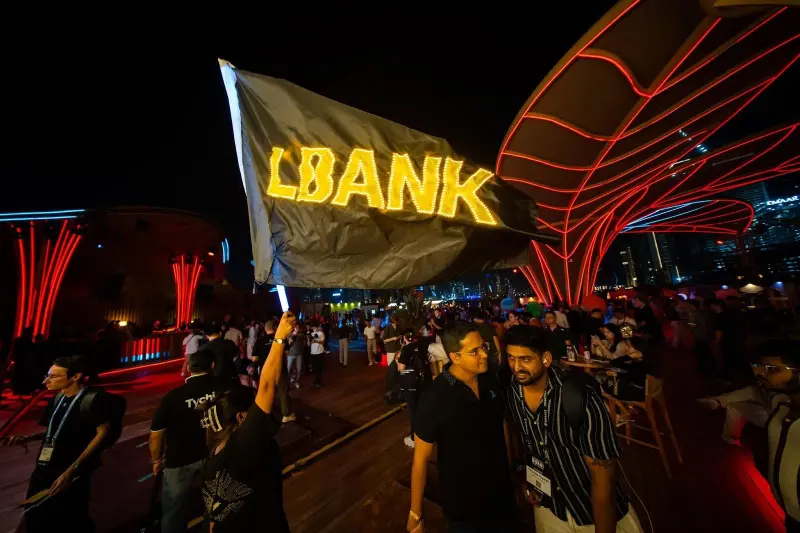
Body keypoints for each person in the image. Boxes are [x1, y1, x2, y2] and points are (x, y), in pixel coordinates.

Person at [503, 326, 643, 533]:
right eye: (511, 358)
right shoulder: (513, 393)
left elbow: (603, 480)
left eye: (525, 359)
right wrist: (528, 479)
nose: (516, 367)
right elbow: (528, 442)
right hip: (550, 509)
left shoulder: (579, 398)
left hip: (590, 513)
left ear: (546, 359)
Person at [408, 323, 516, 533]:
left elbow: (502, 426)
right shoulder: (435, 398)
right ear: (455, 357)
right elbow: (420, 460)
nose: (484, 354)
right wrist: (415, 513)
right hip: (465, 506)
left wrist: (511, 471)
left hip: (502, 496)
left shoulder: (490, 381)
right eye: (475, 351)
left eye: (483, 347)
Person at [199, 312, 295, 533]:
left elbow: (212, 519)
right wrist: (280, 336)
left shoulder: (213, 456)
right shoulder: (243, 448)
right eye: (251, 409)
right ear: (242, 417)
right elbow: (267, 386)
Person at [1, 356, 111, 533]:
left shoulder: (92, 400)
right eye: (47, 375)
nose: (46, 381)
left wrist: (72, 470)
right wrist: (28, 438)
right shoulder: (57, 399)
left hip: (71, 469)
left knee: (69, 517)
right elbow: (57, 430)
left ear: (75, 376)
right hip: (46, 466)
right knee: (35, 514)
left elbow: (102, 434)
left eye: (53, 376)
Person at [150, 349, 223, 533]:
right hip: (214, 453)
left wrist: (157, 459)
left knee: (174, 510)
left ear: (189, 368)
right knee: (216, 502)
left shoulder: (174, 396)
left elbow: (157, 433)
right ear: (212, 366)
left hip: (179, 459)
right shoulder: (223, 388)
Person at [698, 338, 792, 445]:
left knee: (741, 400)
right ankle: (717, 402)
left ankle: (719, 405)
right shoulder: (771, 383)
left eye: (773, 369)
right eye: (757, 366)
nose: (760, 373)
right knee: (750, 391)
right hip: (772, 402)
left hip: (779, 420)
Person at [756, 340, 800, 533]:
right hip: (788, 509)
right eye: (760, 367)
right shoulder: (782, 407)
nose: (761, 374)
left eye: (773, 369)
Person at [397, 329, 432, 448]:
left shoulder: (406, 349)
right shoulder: (423, 346)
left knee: (413, 411)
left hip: (412, 385)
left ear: (405, 338)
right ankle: (427, 434)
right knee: (424, 409)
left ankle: (414, 438)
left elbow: (401, 368)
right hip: (425, 382)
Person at [287, 324, 305, 388]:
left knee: (299, 369)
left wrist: (303, 349)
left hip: (299, 354)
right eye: (295, 327)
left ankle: (297, 382)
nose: (297, 328)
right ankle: (287, 383)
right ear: (293, 328)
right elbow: (288, 344)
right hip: (291, 354)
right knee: (289, 369)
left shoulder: (301, 335)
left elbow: (303, 343)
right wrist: (292, 337)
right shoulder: (289, 334)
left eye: (298, 327)